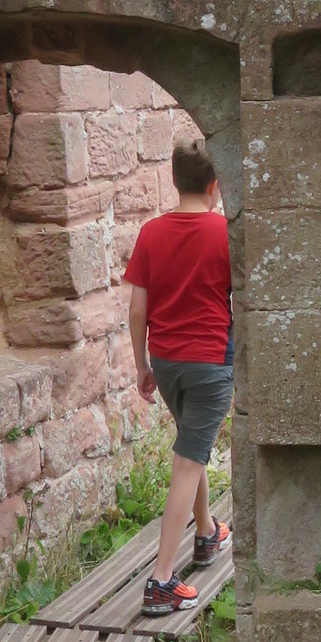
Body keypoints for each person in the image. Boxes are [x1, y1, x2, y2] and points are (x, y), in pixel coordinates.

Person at [124, 137, 234, 614]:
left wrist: (141, 365)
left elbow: (137, 309)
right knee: (188, 462)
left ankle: (206, 534)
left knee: (192, 445)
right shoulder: (225, 233)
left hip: (166, 361)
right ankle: (162, 580)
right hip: (210, 362)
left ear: (174, 180)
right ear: (214, 186)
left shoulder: (151, 233)